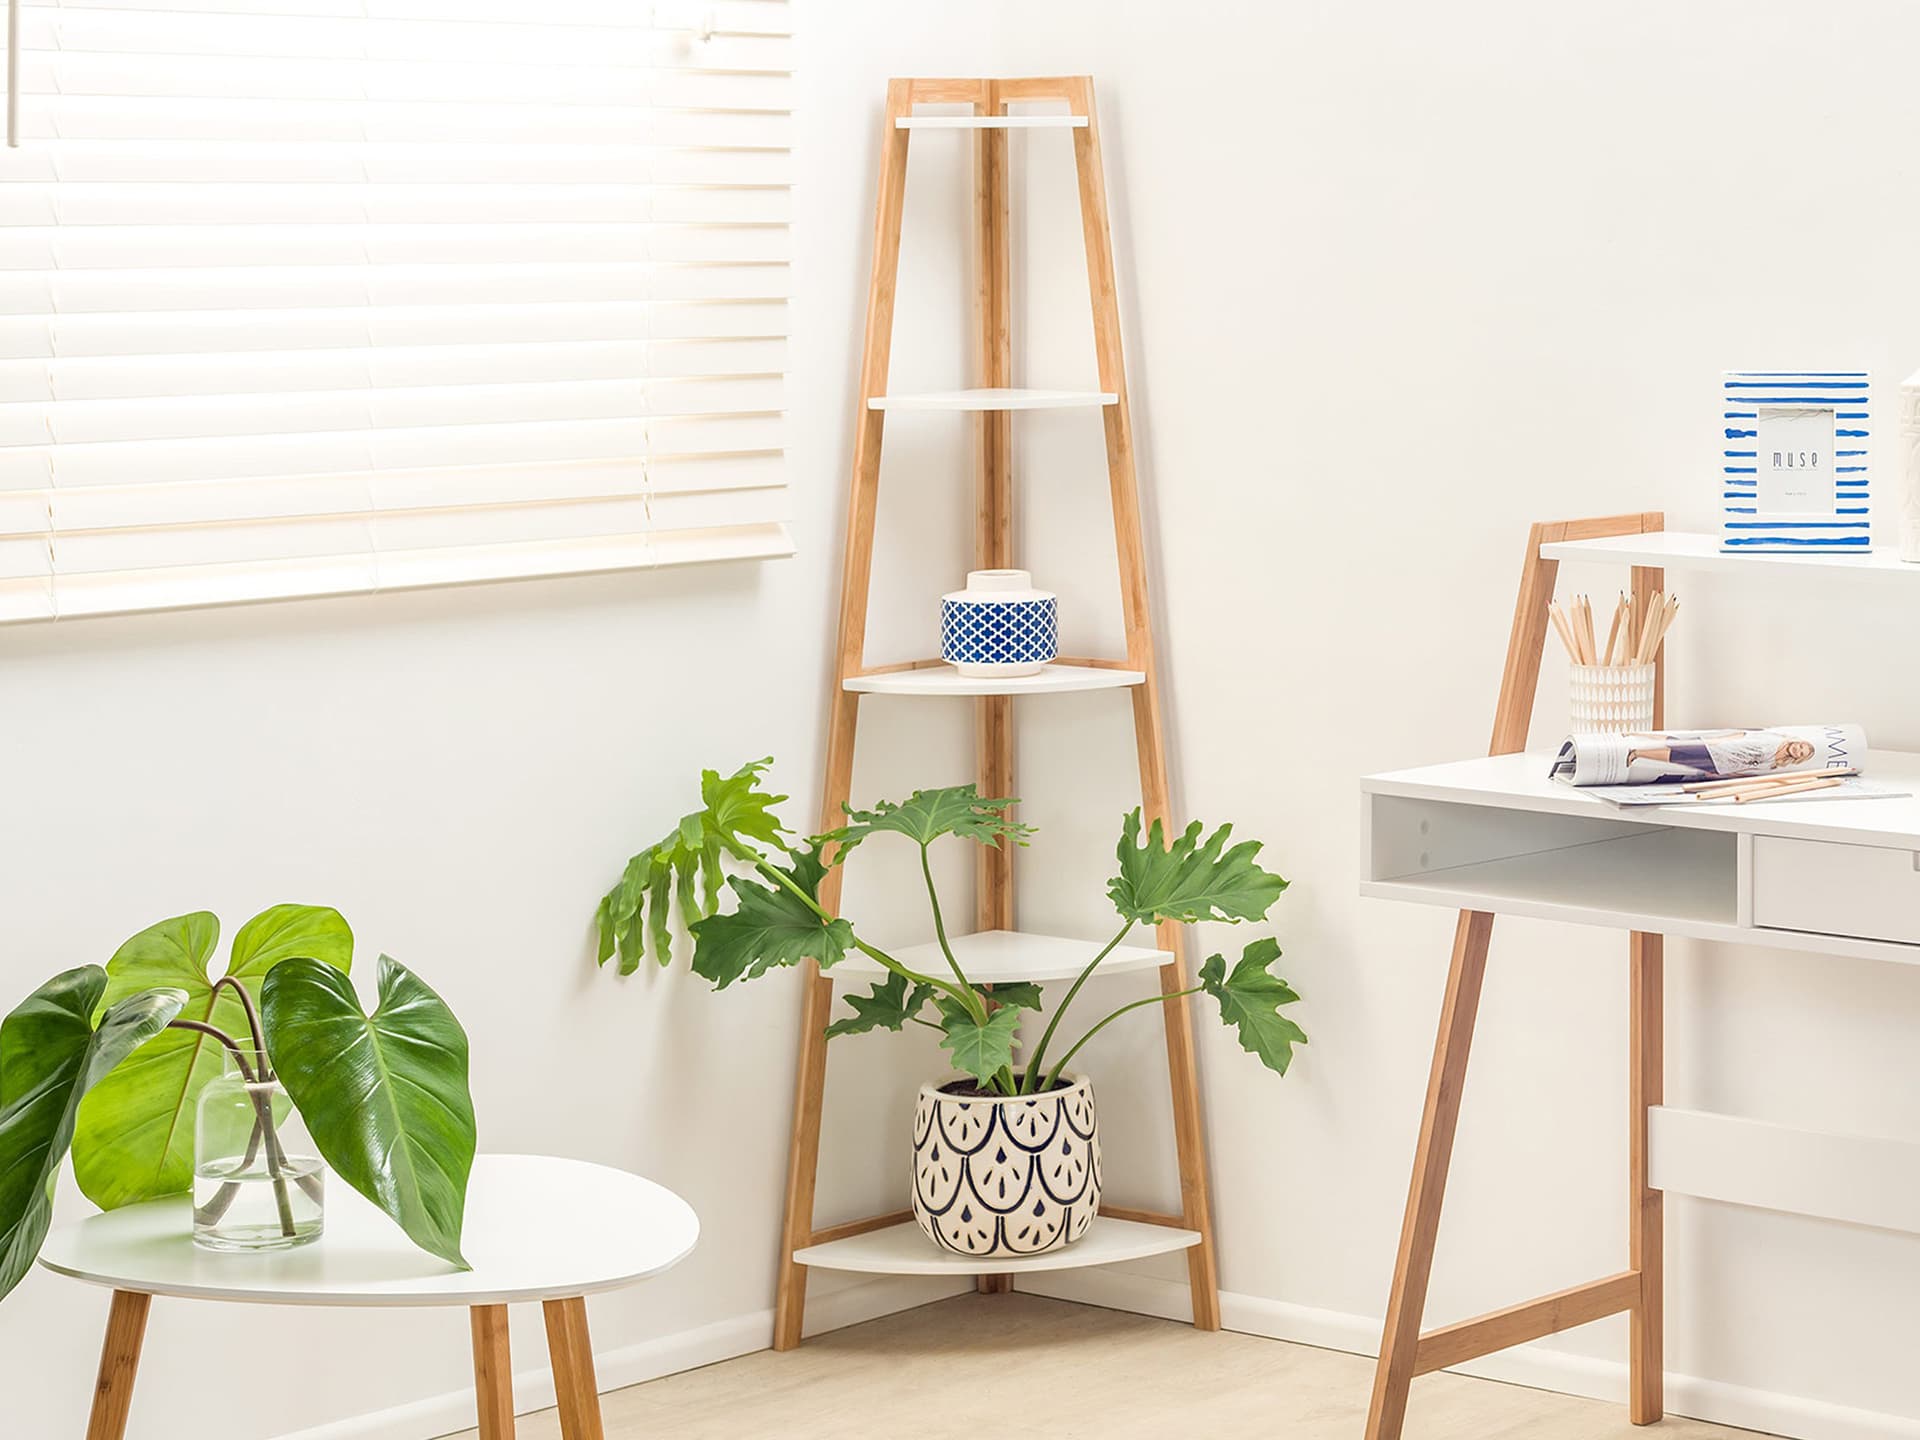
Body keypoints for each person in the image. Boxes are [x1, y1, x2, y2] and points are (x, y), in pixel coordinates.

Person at [1624, 730, 1817, 778]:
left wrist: (1726, 774)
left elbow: (1749, 768)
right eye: (1801, 746)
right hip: (1720, 748)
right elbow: (1743, 735)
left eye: (1801, 752)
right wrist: (1718, 740)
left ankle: (1638, 753)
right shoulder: (1774, 739)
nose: (1798, 750)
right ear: (1798, 742)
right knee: (1676, 743)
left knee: (1678, 758)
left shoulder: (1778, 763)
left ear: (1799, 757)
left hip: (1723, 765)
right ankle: (1637, 736)